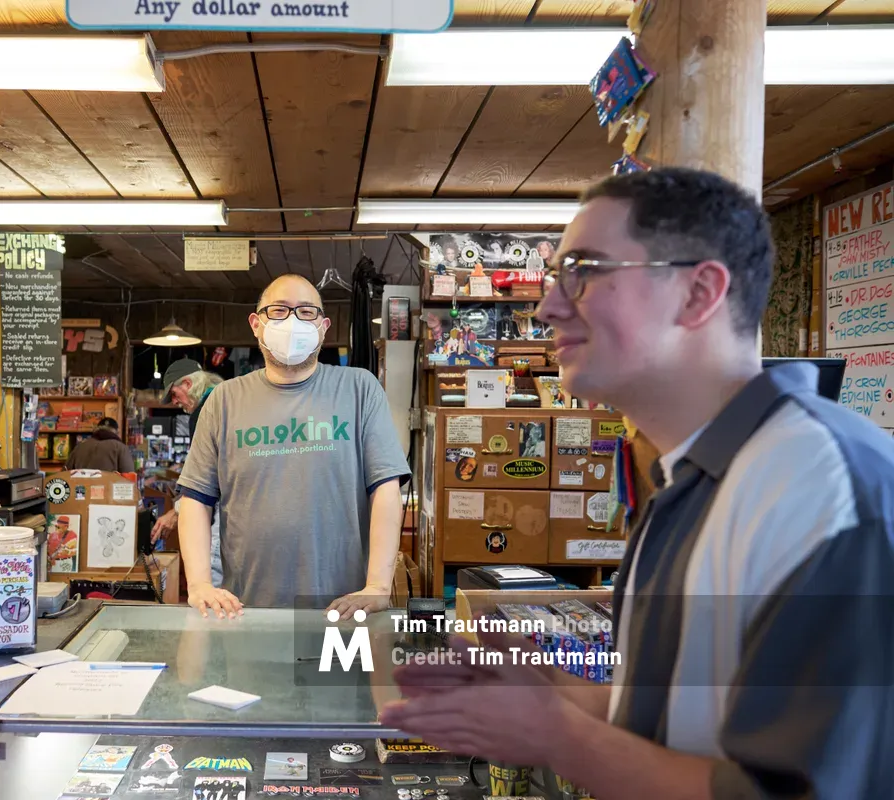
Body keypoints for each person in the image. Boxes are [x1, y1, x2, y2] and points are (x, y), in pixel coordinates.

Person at [381, 167, 894, 797]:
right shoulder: (684, 482)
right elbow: (664, 720)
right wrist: (543, 684)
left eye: (586, 272)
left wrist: (556, 736)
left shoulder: (826, 488)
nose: (547, 307)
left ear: (698, 292)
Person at [177, 274, 410, 619]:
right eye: (280, 310)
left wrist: (377, 585)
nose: (293, 321)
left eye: (306, 312)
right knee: (247, 675)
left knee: (344, 676)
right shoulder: (224, 400)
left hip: (343, 608)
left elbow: (386, 489)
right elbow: (196, 499)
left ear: (323, 326)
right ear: (256, 324)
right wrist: (198, 585)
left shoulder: (360, 389)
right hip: (246, 610)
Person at [149, 359, 224, 587]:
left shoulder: (204, 411)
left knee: (210, 585)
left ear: (188, 384)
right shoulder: (227, 399)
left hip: (224, 510)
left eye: (174, 394)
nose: (174, 402)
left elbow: (206, 475)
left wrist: (178, 511)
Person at [65, 417, 134, 473]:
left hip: (81, 489)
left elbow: (65, 473)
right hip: (108, 489)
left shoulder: (80, 446)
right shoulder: (120, 448)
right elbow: (128, 476)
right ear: (117, 432)